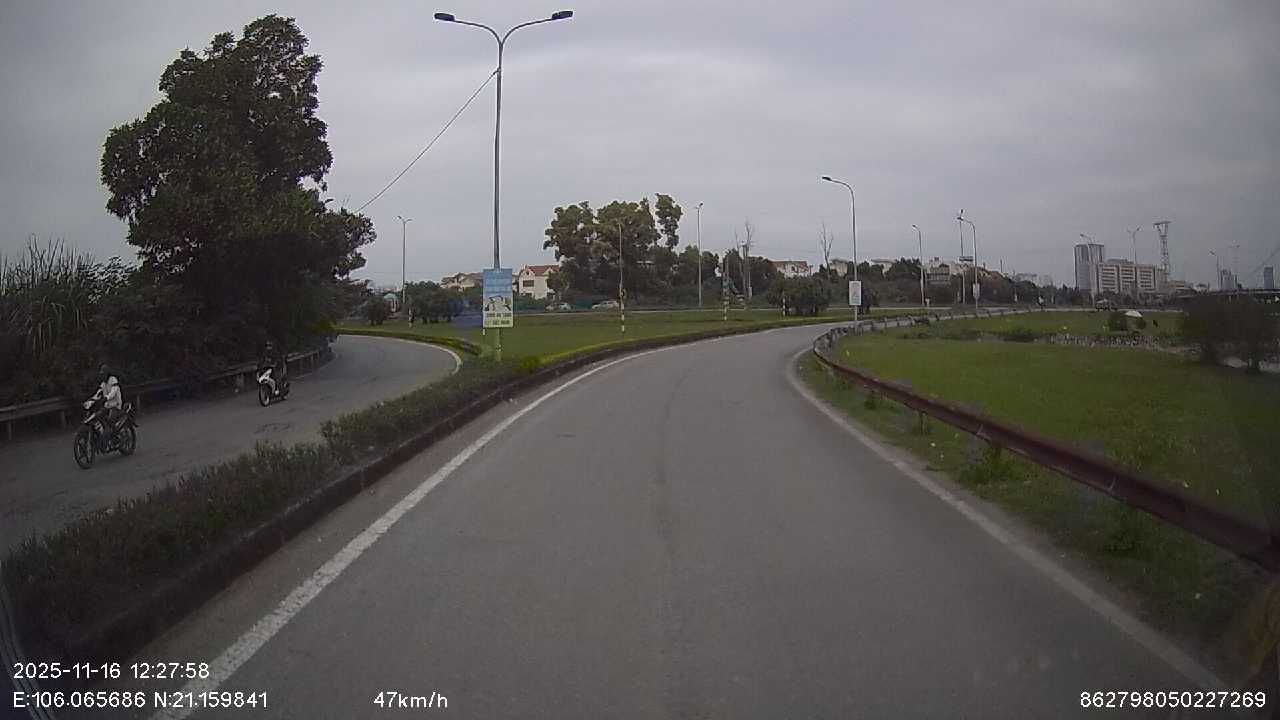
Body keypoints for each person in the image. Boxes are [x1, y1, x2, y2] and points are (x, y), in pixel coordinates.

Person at [88, 364, 123, 435]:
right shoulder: (103, 383)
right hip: (107, 405)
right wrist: (92, 399)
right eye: (101, 374)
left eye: (103, 374)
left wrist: (106, 397)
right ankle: (104, 432)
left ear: (107, 373)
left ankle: (115, 434)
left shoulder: (113, 379)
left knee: (110, 420)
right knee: (98, 415)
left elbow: (114, 391)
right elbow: (99, 392)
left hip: (116, 404)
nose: (102, 375)